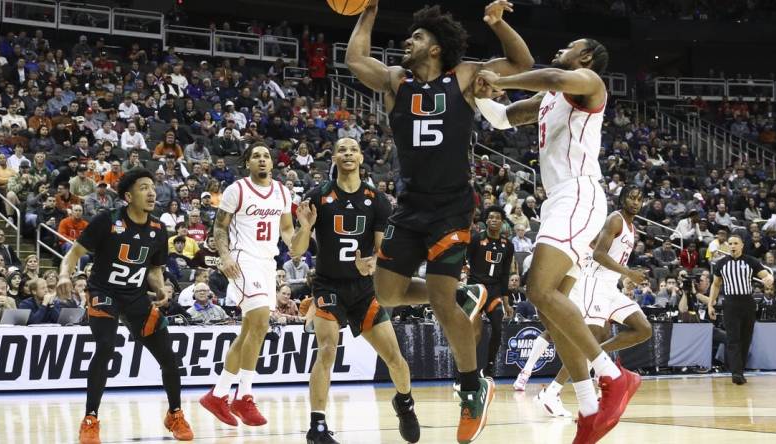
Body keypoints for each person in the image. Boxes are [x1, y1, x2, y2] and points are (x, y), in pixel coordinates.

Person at [346, 2, 535, 440]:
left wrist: (498, 24)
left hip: (451, 207)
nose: (407, 43)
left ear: (434, 47)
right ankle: (463, 293)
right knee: (388, 294)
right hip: (410, 206)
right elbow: (356, 60)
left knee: (441, 300)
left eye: (415, 37)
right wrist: (369, 9)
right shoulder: (396, 81)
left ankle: (473, 387)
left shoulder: (465, 76)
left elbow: (522, 63)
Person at [476, 37, 640, 442]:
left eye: (568, 46)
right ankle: (587, 406)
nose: (558, 50)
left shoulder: (587, 81)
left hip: (579, 193)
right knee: (551, 310)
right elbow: (502, 118)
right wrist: (479, 94)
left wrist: (499, 76)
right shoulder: (550, 100)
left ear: (584, 56)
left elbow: (552, 75)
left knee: (538, 288)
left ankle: (612, 374)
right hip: (559, 201)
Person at [292, 138, 419, 444]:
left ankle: (404, 403)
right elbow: (296, 252)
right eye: (342, 149)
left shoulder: (377, 200)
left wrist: (372, 263)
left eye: (353, 149)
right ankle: (317, 428)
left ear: (361, 158)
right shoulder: (318, 196)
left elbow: (380, 251)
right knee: (326, 350)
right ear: (334, 156)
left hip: (364, 289)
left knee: (396, 359)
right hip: (328, 285)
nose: (347, 153)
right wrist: (305, 228)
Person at [55, 168, 193, 443]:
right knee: (106, 346)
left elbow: (154, 270)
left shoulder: (157, 229)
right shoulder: (107, 220)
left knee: (168, 355)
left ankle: (175, 413)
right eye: (144, 187)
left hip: (136, 297)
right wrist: (62, 275)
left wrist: (159, 288)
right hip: (104, 292)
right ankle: (91, 418)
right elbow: (74, 254)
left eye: (152, 187)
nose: (152, 192)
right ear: (128, 196)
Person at [520, 186, 652, 419]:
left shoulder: (632, 228)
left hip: (611, 287)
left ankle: (597, 358)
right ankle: (552, 392)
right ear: (622, 199)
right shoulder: (615, 219)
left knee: (643, 329)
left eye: (640, 199)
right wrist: (629, 273)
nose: (635, 202)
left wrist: (625, 278)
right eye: (632, 197)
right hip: (594, 283)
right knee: (587, 340)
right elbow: (600, 254)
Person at [199, 144, 298, 428]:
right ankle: (244, 395)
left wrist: (297, 242)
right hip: (243, 260)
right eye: (256, 155)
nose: (262, 159)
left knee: (249, 332)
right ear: (248, 163)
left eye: (266, 155)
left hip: (268, 263)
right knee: (260, 322)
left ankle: (217, 395)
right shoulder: (236, 190)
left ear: (272, 162)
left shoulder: (282, 191)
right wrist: (225, 255)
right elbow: (219, 227)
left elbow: (287, 229)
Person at [708, 235, 775, 385]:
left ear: (742, 245)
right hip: (730, 303)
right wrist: (710, 304)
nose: (732, 246)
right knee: (733, 339)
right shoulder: (721, 263)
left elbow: (765, 275)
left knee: (745, 339)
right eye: (730, 243)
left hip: (747, 303)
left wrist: (769, 278)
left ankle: (740, 370)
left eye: (735, 243)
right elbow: (716, 285)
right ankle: (736, 373)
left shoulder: (750, 261)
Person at [459, 206, 515, 381]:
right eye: (491, 217)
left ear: (502, 221)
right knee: (474, 333)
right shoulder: (476, 239)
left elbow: (506, 274)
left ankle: (489, 368)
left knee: (498, 328)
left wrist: (506, 303)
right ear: (486, 220)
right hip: (476, 290)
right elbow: (463, 259)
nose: (494, 220)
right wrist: (463, 276)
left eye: (497, 217)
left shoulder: (508, 245)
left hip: (495, 292)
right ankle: (465, 372)